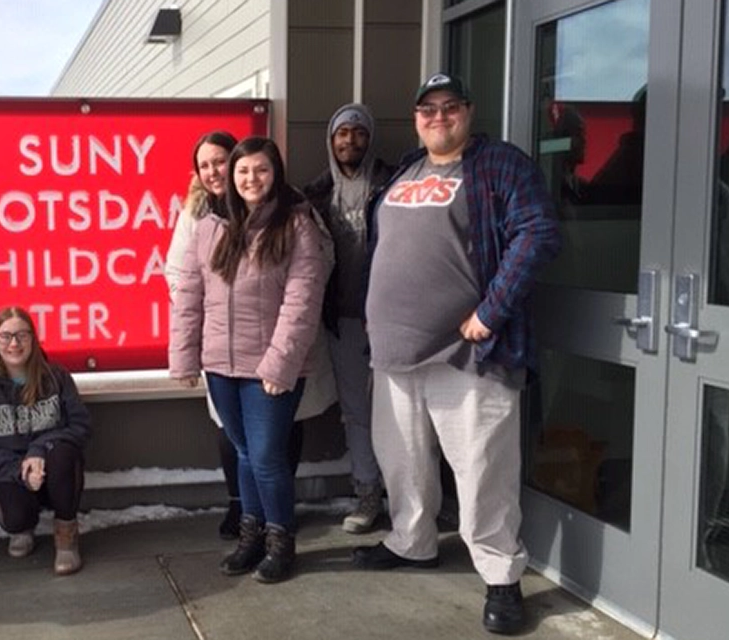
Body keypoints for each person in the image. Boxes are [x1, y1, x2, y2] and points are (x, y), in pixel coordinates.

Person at [354, 72, 561, 635]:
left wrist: (491, 310)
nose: (438, 116)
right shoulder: (405, 170)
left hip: (467, 353)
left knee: (482, 471)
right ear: (416, 117)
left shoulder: (499, 164)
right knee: (402, 463)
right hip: (394, 353)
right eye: (427, 108)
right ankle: (412, 542)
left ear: (468, 111)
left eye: (450, 106)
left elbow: (538, 231)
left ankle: (500, 576)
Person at [169, 136, 332, 584]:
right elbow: (189, 296)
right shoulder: (210, 227)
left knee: (265, 456)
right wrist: (185, 358)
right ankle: (252, 535)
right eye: (243, 171)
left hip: (269, 370)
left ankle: (282, 541)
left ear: (275, 173)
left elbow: (302, 302)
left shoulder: (297, 225)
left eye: (260, 170)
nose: (250, 179)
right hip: (221, 366)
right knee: (243, 452)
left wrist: (280, 364)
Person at [303, 103, 392, 534]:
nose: (350, 141)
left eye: (358, 132)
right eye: (342, 133)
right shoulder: (314, 195)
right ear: (331, 139)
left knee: (405, 413)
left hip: (394, 319)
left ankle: (415, 499)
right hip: (343, 320)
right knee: (357, 413)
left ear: (370, 137)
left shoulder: (395, 183)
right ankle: (368, 494)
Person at [0, 307, 92, 575]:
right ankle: (24, 527)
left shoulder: (56, 376)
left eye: (22, 335)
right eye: (6, 336)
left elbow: (81, 425)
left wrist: (39, 450)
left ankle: (66, 534)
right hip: (14, 473)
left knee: (63, 454)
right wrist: (21, 470)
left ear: (34, 340)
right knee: (13, 519)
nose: (14, 343)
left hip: (56, 468)